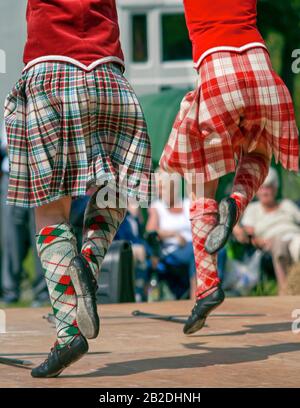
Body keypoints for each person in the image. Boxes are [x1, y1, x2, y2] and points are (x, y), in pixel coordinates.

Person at [4, 0, 152, 378]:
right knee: (115, 186)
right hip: (108, 76)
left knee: (50, 209)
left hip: (50, 71)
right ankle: (89, 257)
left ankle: (68, 331)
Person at [160, 0, 299, 334]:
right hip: (260, 67)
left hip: (217, 69)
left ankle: (207, 286)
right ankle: (237, 202)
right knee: (261, 152)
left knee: (201, 182)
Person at [235, 168, 300, 295]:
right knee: (280, 245)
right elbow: (248, 235)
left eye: (268, 187)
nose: (265, 191)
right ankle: (285, 291)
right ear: (257, 191)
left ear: (275, 189)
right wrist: (254, 239)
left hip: (295, 236)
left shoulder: (287, 205)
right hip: (272, 242)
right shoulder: (253, 210)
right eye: (261, 187)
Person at [146, 169, 196, 299]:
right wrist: (174, 234)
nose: (159, 192)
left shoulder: (186, 204)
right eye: (159, 188)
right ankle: (195, 297)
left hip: (190, 245)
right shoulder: (157, 206)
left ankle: (208, 292)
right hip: (171, 249)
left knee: (213, 251)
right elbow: (151, 232)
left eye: (163, 188)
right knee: (195, 254)